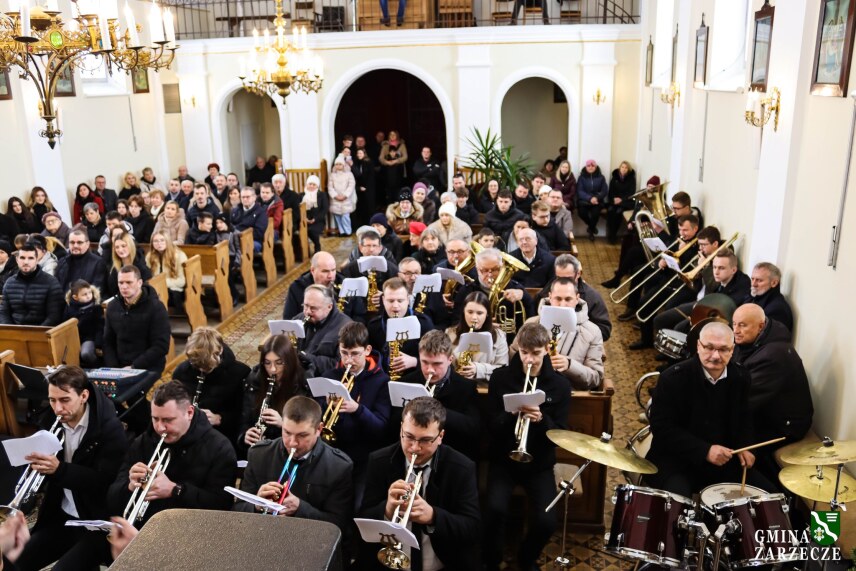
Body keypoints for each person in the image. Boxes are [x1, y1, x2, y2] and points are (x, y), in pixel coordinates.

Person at [13, 367, 127, 571]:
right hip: (62, 516)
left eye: (64, 400)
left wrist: (60, 470)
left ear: (84, 395)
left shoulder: (110, 429)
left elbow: (106, 483)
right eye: (52, 400)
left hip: (96, 522)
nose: (57, 408)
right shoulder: (49, 420)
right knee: (14, 561)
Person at [646, 322, 773, 498]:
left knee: (771, 495)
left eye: (723, 349)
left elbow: (744, 418)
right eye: (709, 347)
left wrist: (746, 446)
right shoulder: (672, 378)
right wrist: (705, 450)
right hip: (676, 460)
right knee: (677, 504)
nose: (715, 356)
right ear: (699, 346)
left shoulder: (741, 377)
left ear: (732, 349)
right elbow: (661, 428)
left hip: (723, 462)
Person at [484, 322, 570, 571]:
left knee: (546, 521)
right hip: (503, 460)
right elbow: (490, 425)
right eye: (524, 352)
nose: (529, 359)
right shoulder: (501, 378)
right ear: (518, 349)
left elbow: (560, 434)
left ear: (546, 350)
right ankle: (492, 559)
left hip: (539, 464)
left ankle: (526, 557)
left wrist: (542, 420)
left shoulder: (560, 386)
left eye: (536, 353)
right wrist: (511, 414)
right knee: (494, 509)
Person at [358, 397, 481, 570]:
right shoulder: (379, 461)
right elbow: (362, 521)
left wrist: (433, 516)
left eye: (425, 440)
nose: (415, 448)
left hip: (441, 564)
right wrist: (387, 509)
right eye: (409, 436)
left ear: (441, 437)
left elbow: (472, 528)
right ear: (401, 428)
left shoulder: (461, 467)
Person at [107, 381, 236, 527]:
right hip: (143, 531)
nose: (160, 428)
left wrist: (176, 490)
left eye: (168, 420)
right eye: (155, 419)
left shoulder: (219, 448)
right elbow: (111, 500)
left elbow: (222, 506)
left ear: (189, 413)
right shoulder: (143, 442)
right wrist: (129, 486)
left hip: (191, 534)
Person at [234, 396, 354, 531]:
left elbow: (339, 525)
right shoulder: (259, 454)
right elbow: (238, 510)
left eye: (302, 435)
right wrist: (257, 505)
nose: (292, 443)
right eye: (287, 432)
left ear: (319, 429)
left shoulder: (338, 466)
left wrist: (300, 509)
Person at [732, 303, 813, 482]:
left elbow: (744, 400)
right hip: (766, 411)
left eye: (742, 325)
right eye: (734, 324)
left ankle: (763, 495)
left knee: (729, 446)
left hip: (785, 426)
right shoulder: (752, 342)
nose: (735, 330)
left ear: (760, 326)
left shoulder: (773, 356)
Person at [319, 322, 391, 504]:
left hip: (364, 457)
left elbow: (381, 428)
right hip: (334, 453)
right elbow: (317, 420)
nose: (349, 360)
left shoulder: (382, 381)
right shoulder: (330, 376)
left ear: (367, 350)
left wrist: (357, 409)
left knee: (358, 504)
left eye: (355, 354)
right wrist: (324, 406)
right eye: (344, 353)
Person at [397, 331, 480, 459]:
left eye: (437, 364)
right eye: (425, 362)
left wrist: (436, 409)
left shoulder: (466, 387)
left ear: (450, 359)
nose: (430, 369)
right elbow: (392, 427)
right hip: (411, 453)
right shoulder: (405, 383)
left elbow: (473, 429)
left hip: (450, 456)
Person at [512, 277, 604, 390]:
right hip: (530, 387)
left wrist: (570, 365)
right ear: (550, 297)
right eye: (558, 299)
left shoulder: (593, 331)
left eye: (568, 299)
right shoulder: (531, 323)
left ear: (577, 298)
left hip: (570, 395)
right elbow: (512, 358)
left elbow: (596, 378)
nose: (562, 305)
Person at [172, 327, 249, 447]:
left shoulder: (240, 373)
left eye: (207, 367)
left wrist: (220, 418)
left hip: (224, 435)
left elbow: (245, 414)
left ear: (220, 351)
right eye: (197, 366)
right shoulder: (181, 372)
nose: (202, 370)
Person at [103, 264, 170, 390]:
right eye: (121, 282)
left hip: (148, 365)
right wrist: (114, 368)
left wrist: (133, 367)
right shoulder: (112, 306)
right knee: (103, 394)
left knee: (133, 395)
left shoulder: (156, 308)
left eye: (129, 282)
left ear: (139, 283)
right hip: (120, 365)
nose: (124, 287)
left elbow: (161, 346)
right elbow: (108, 341)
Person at [240, 335, 309, 452]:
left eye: (279, 363)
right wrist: (245, 435)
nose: (272, 369)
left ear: (289, 362)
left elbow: (307, 430)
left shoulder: (302, 385)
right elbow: (244, 420)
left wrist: (283, 424)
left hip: (289, 451)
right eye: (267, 363)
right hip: (260, 450)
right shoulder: (254, 381)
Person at [454, 247, 534, 340]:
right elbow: (456, 322)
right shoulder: (466, 291)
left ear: (502, 267)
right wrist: (484, 324)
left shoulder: (514, 287)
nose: (490, 274)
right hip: (477, 339)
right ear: (477, 269)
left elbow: (531, 315)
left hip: (511, 341)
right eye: (484, 270)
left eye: (495, 269)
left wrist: (523, 295)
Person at [367, 278, 434, 379]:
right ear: (383, 300)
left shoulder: (423, 323)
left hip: (415, 379)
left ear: (408, 300)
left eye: (400, 300)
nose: (395, 306)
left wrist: (415, 361)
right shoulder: (374, 326)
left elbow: (436, 358)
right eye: (390, 301)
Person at [446, 291, 509, 382]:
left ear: (487, 314)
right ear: (464, 311)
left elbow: (503, 369)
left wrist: (478, 369)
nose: (474, 317)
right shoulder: (450, 333)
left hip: (486, 388)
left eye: (479, 313)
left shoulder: (499, 336)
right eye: (470, 312)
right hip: (457, 386)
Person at [295, 285, 353, 376]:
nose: (308, 312)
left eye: (313, 308)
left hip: (323, 379)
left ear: (329, 307)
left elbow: (341, 364)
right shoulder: (299, 318)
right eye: (306, 306)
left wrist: (309, 358)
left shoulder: (347, 328)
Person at [0, 243, 63, 326]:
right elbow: (4, 312)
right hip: (14, 332)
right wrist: (11, 331)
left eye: (30, 258)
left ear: (37, 260)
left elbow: (54, 316)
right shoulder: (9, 283)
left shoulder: (51, 282)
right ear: (17, 260)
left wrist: (36, 333)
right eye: (22, 258)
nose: (26, 262)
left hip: (42, 333)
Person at [743, 262, 793, 332]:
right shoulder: (752, 297)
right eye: (752, 279)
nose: (753, 284)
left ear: (774, 283)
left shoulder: (777, 309)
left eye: (759, 280)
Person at [63, 280, 103, 367]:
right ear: (75, 297)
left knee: (86, 353)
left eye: (89, 293)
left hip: (89, 338)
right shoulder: (69, 308)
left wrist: (98, 343)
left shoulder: (96, 307)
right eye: (84, 294)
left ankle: (98, 366)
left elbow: (100, 326)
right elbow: (65, 324)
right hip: (73, 338)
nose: (89, 296)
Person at [54, 228, 107, 293]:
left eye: (79, 242)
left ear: (87, 244)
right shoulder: (62, 262)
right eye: (72, 242)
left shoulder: (98, 263)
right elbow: (55, 286)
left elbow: (96, 290)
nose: (75, 245)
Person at [146, 231, 187, 308]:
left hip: (175, 290)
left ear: (167, 241)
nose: (159, 243)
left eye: (162, 240)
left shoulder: (179, 255)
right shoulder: (150, 256)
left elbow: (182, 281)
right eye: (155, 241)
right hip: (156, 289)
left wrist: (161, 283)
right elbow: (148, 277)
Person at [105, 232, 151, 299]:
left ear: (130, 246)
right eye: (117, 247)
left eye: (123, 246)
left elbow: (147, 292)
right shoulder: (114, 269)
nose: (120, 250)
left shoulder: (142, 268)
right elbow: (112, 291)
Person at [576, 160, 609, 239]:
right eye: (588, 166)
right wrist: (590, 198)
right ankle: (592, 228)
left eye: (592, 166)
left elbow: (604, 190)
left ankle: (591, 232)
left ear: (596, 167)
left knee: (595, 213)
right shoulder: (581, 177)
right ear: (586, 167)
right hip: (584, 201)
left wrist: (596, 198)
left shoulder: (601, 177)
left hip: (597, 201)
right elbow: (580, 191)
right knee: (582, 213)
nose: (590, 167)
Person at [606, 160, 637, 243]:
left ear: (628, 170)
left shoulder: (631, 179)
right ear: (619, 168)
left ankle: (613, 235)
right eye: (622, 167)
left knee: (618, 213)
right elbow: (611, 191)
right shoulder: (614, 177)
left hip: (626, 202)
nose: (623, 169)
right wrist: (614, 199)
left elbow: (631, 193)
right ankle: (611, 234)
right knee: (610, 211)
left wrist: (621, 199)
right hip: (614, 201)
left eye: (626, 168)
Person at [231, 187, 268, 253]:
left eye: (247, 197)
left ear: (254, 197)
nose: (245, 199)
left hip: (253, 240)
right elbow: (230, 225)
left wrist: (240, 233)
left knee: (238, 246)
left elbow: (259, 233)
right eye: (243, 197)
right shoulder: (235, 210)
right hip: (235, 238)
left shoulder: (260, 212)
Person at [328, 157, 357, 237]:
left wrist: (345, 195)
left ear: (343, 165)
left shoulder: (349, 174)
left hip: (345, 199)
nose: (338, 166)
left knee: (345, 216)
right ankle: (341, 231)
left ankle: (348, 231)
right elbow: (330, 187)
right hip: (335, 199)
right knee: (337, 216)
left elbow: (351, 185)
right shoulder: (332, 175)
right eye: (336, 164)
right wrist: (335, 196)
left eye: (340, 164)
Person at [301, 175, 329, 255]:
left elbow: (324, 209)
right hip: (305, 220)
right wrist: (304, 218)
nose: (311, 186)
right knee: (302, 231)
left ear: (317, 185)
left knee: (311, 230)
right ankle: (305, 251)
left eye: (314, 184)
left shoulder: (322, 195)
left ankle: (317, 245)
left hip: (318, 221)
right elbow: (299, 209)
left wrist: (315, 219)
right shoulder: (302, 195)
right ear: (307, 184)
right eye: (310, 184)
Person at [380, 131, 408, 202]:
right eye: (391, 134)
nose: (392, 136)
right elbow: (381, 158)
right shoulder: (385, 145)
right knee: (389, 190)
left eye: (394, 134)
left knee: (398, 189)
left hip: (398, 170)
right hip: (388, 171)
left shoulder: (401, 145)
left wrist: (396, 161)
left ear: (397, 136)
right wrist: (387, 162)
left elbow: (405, 157)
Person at [352, 148, 377, 228]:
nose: (359, 155)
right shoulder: (356, 163)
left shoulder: (369, 162)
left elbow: (371, 176)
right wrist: (359, 187)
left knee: (369, 206)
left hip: (369, 188)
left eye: (361, 153)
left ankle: (371, 223)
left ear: (364, 154)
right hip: (360, 189)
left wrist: (366, 187)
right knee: (361, 207)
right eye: (358, 153)